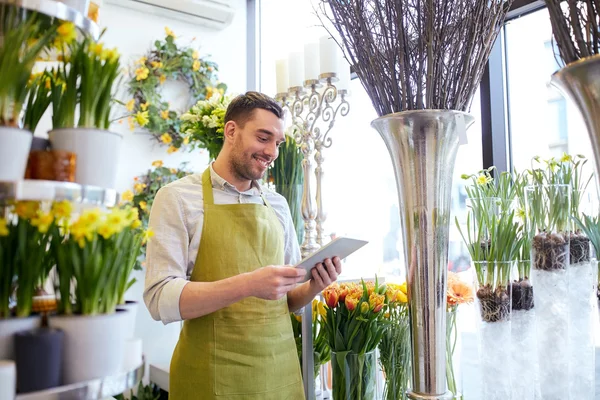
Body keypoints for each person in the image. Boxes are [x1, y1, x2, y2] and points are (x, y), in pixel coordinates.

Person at [143, 91, 342, 400]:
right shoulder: (178, 198)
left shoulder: (277, 205)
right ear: (231, 131)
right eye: (263, 138)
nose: (272, 152)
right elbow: (160, 300)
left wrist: (316, 284)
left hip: (280, 376)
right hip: (211, 379)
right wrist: (249, 283)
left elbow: (287, 299)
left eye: (278, 143)